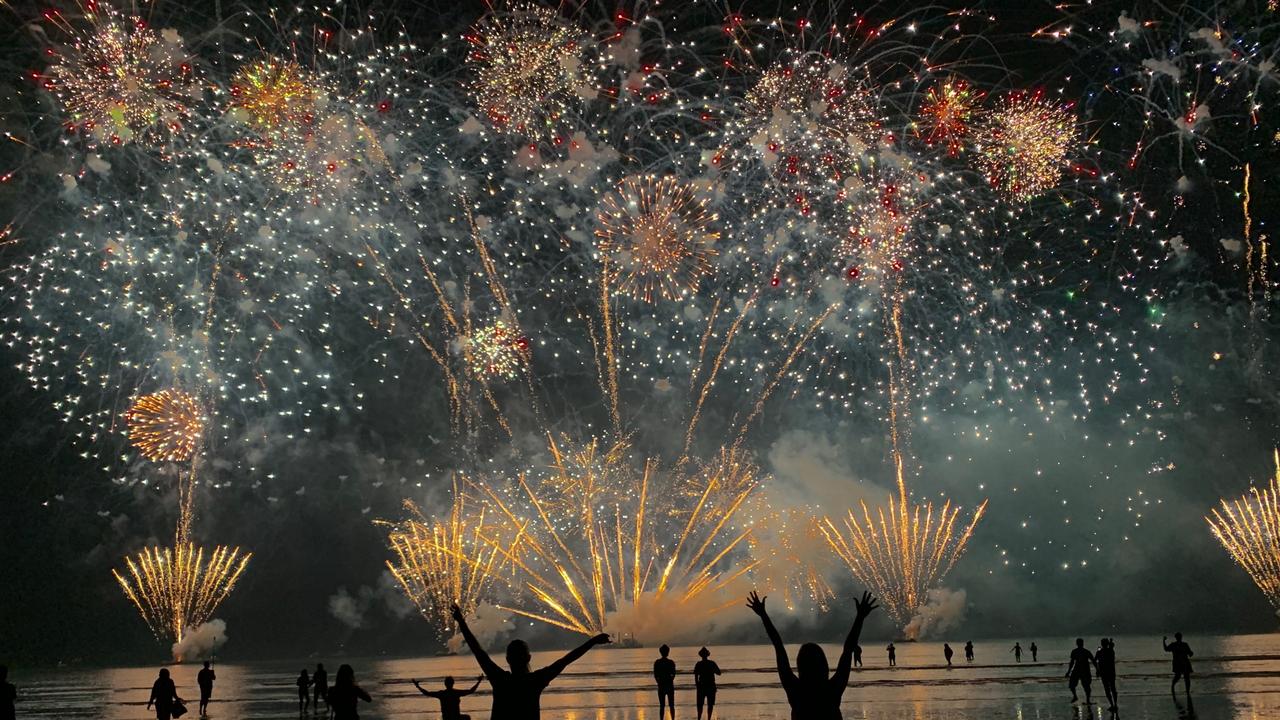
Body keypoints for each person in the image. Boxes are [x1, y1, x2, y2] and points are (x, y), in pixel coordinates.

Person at [452, 603, 609, 719]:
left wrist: (461, 621)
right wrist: (592, 641)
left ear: (507, 659)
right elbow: (567, 659)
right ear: (528, 657)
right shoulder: (535, 681)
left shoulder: (500, 679)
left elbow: (477, 650)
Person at [747, 589, 879, 720]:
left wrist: (763, 615)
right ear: (824, 665)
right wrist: (860, 617)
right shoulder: (832, 690)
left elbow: (778, 646)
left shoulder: (795, 691)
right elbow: (848, 649)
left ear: (801, 665)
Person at [414, 676, 481, 720]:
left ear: (445, 684)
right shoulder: (456, 693)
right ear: (453, 683)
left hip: (446, 717)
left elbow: (427, 693)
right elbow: (471, 691)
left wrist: (418, 686)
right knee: (467, 717)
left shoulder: (442, 693)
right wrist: (479, 681)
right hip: (456, 717)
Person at [1066, 638, 1097, 704]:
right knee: (1075, 685)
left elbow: (1093, 660)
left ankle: (1085, 699)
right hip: (1080, 670)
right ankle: (1078, 697)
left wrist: (1069, 671)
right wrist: (1068, 671)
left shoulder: (1082, 651)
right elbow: (1093, 661)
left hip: (1083, 670)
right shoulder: (1080, 651)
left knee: (1085, 686)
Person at [693, 647, 721, 720]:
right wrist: (712, 670)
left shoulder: (698, 664)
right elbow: (719, 673)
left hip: (701, 686)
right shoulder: (712, 663)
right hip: (711, 685)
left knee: (700, 705)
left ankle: (699, 718)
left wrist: (697, 686)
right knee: (710, 705)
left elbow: (695, 677)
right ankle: (709, 718)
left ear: (701, 655)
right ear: (707, 655)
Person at [653, 644, 677, 720]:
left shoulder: (657, 662)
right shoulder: (671, 662)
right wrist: (670, 680)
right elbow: (674, 674)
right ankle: (672, 718)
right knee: (671, 705)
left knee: (662, 705)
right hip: (669, 685)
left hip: (661, 685)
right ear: (668, 652)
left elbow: (655, 675)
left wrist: (658, 682)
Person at [1096, 638, 1118, 711]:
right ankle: (1115, 704)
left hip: (1104, 672)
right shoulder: (1110, 651)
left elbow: (1095, 659)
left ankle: (1112, 704)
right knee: (1113, 688)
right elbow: (1112, 646)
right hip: (1111, 672)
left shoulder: (1100, 652)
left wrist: (1097, 670)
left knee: (1107, 689)